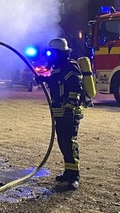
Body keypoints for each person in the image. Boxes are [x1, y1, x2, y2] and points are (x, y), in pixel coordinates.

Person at [37, 38, 84, 190]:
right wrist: (43, 79)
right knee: (63, 142)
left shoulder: (71, 68)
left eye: (52, 53)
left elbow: (75, 89)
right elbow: (55, 81)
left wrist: (69, 109)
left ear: (59, 53)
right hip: (60, 112)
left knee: (69, 142)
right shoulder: (59, 68)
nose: (49, 56)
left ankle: (74, 176)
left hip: (69, 112)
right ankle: (68, 172)